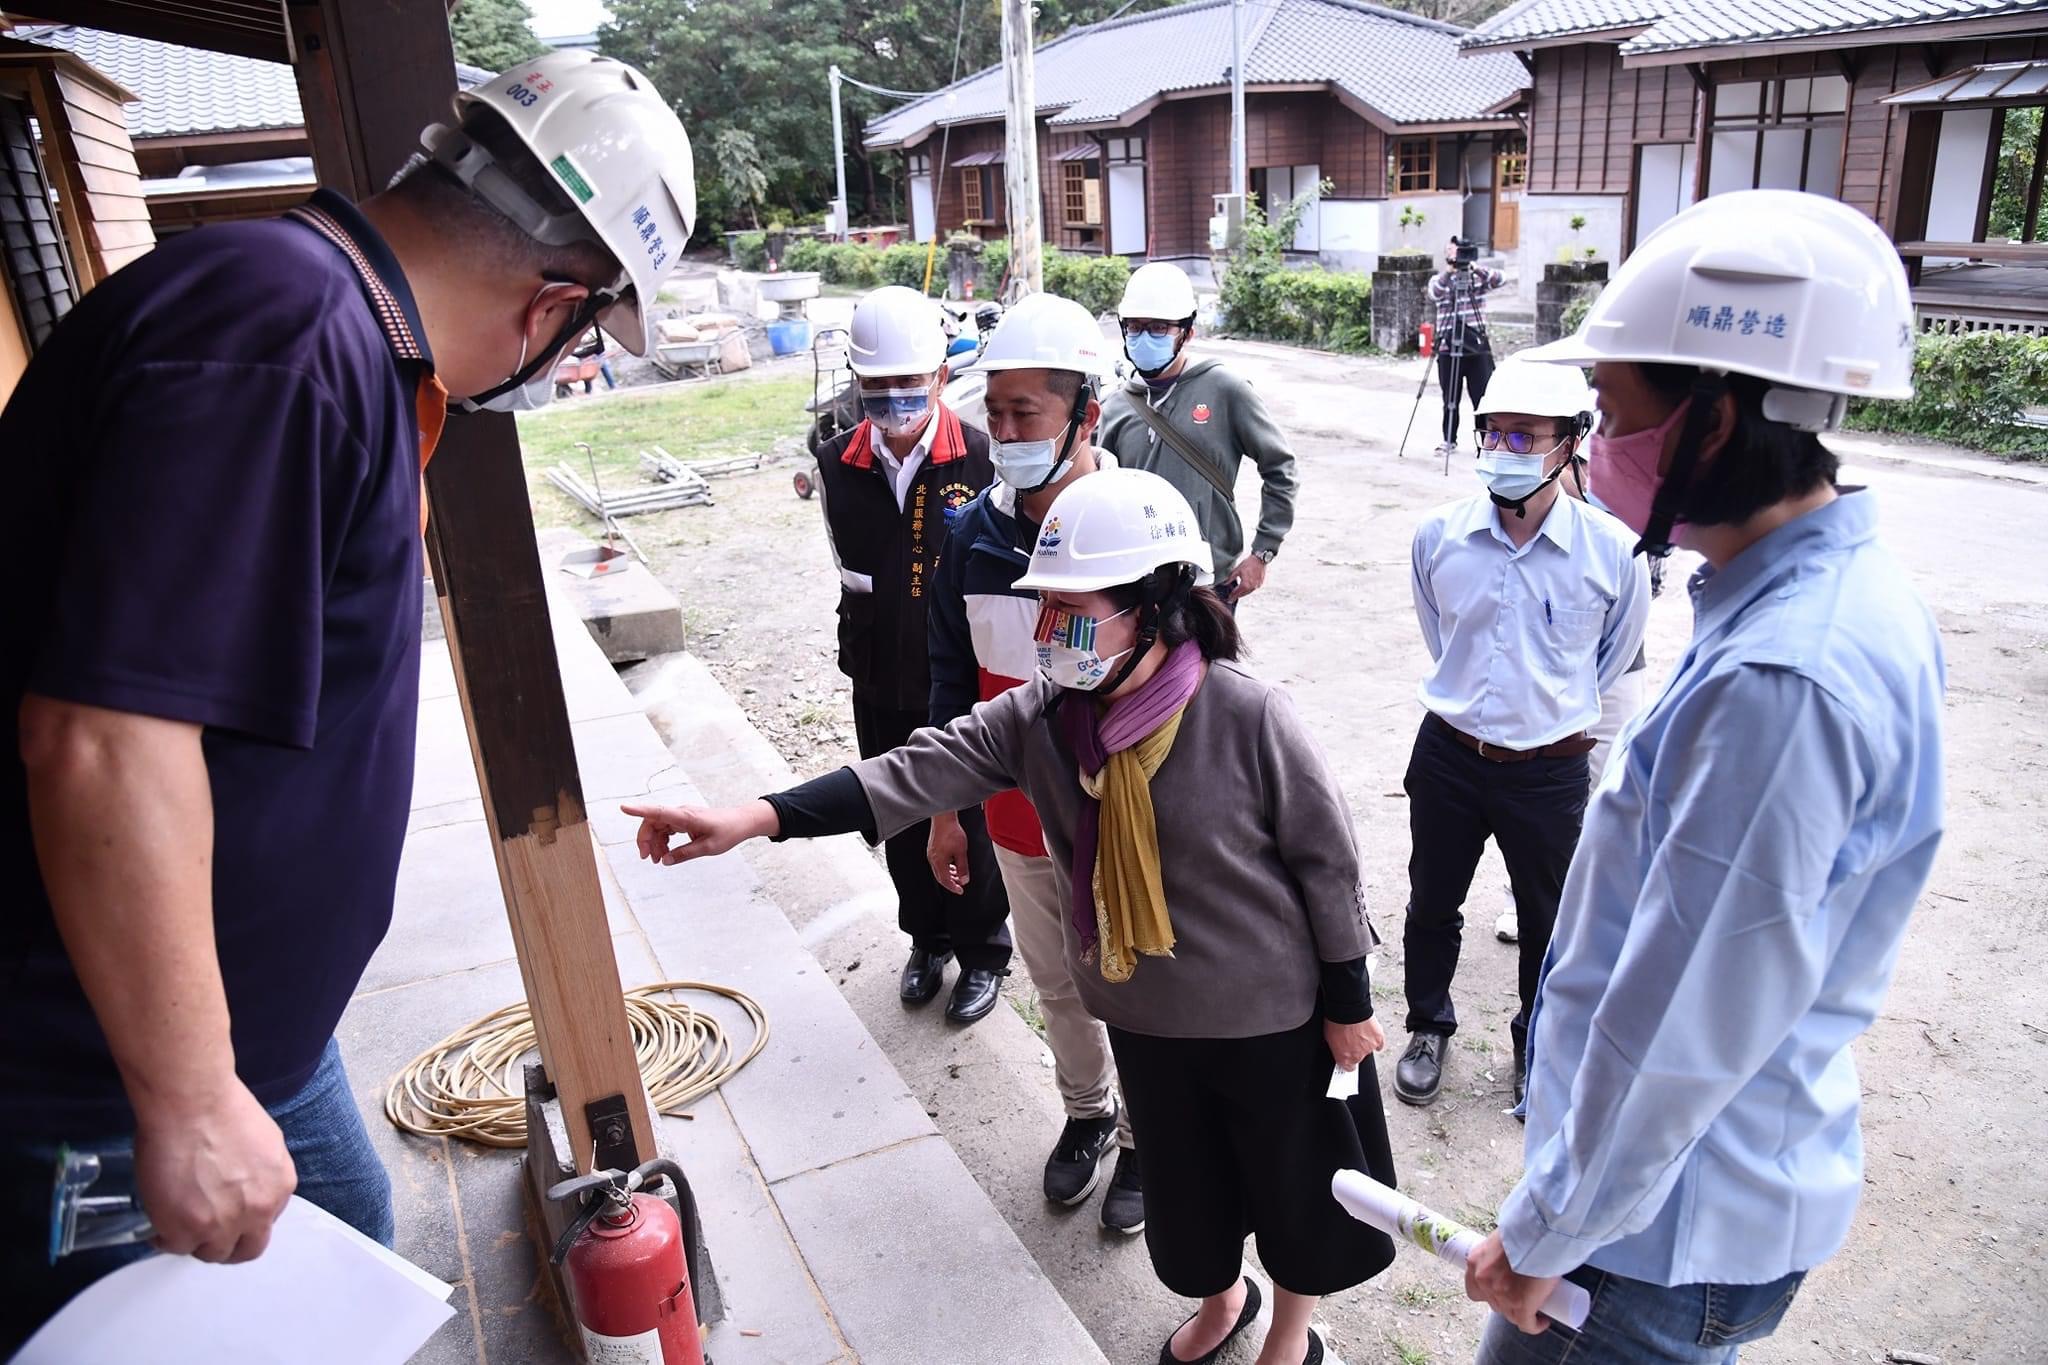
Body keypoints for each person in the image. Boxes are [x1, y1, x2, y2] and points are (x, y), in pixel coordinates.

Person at [0, 50, 694, 1350]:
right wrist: (193, 1098)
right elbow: (102, 738)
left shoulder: (340, 339)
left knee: (349, 1250)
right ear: (555, 304)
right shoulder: (276, 341)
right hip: (106, 1070)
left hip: (243, 1026)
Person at [627, 469, 1397, 1365]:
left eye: (1071, 612)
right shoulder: (1042, 719)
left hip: (1272, 1019)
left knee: (1295, 1193)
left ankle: (1289, 1336)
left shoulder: (1249, 714)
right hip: (1144, 1015)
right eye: (1044, 609)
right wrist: (753, 816)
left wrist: (1347, 1001)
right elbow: (913, 769)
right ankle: (1224, 1298)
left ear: (1152, 605)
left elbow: (1327, 861)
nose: (1047, 635)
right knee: (1190, 1203)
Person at [1462, 190, 1945, 1362]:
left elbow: (1683, 1016)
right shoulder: (1801, 602)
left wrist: (1544, 1229)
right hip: (1669, 1201)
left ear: (1713, 426)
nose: (1594, 443)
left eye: (1614, 413)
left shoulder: (1783, 678)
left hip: (1650, 1237)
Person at [924, 293, 1146, 1231]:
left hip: (1121, 828)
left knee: (1137, 989)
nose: (1004, 432)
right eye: (995, 412)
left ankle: (1146, 1136)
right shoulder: (973, 535)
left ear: (1084, 415)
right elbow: (951, 679)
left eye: (1027, 413)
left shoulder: (1139, 525)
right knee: (1057, 983)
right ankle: (1088, 1115)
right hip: (1018, 825)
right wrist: (945, 808)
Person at [1395, 355, 1649, 1112]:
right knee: (1432, 901)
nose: (1505, 451)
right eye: (1494, 434)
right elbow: (1442, 638)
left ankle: (1535, 1043)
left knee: (1548, 919)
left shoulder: (1613, 552)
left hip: (1550, 771)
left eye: (1525, 436)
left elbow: (1611, 662)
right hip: (1449, 754)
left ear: (1571, 442)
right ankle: (1427, 1025)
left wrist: (1539, 714)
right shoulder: (1438, 536)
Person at [813, 284, 1011, 1024]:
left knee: (968, 815)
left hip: (957, 677)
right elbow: (851, 570)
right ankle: (925, 938)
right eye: (877, 385)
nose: (894, 399)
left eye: (909, 383)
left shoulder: (981, 457)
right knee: (894, 812)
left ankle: (983, 949)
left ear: (938, 376)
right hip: (880, 672)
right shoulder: (838, 462)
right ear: (856, 381)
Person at [1493, 429, 1654, 947]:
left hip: (1616, 663)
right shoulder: (1545, 458)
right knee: (1540, 788)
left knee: (1600, 786)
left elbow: (1643, 587)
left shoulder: (1650, 480)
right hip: (1544, 658)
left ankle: (1586, 906)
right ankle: (1526, 900)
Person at [1097, 261, 1299, 606]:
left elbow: (1281, 469)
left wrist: (1263, 552)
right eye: (1134, 327)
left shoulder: (1225, 389)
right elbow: (1099, 494)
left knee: (1210, 663)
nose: (1144, 337)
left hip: (1208, 582)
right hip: (1134, 581)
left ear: (1187, 333)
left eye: (1159, 327)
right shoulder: (1116, 406)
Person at [1427, 236, 1508, 459]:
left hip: (1476, 348)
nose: (1457, 256)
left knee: (1482, 399)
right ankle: (1448, 440)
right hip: (1448, 348)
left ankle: (1486, 442)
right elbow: (1434, 293)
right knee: (1450, 399)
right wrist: (1450, 271)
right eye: (1453, 252)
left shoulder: (1477, 278)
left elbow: (1500, 279)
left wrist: (1474, 268)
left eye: (1461, 252)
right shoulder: (1440, 280)